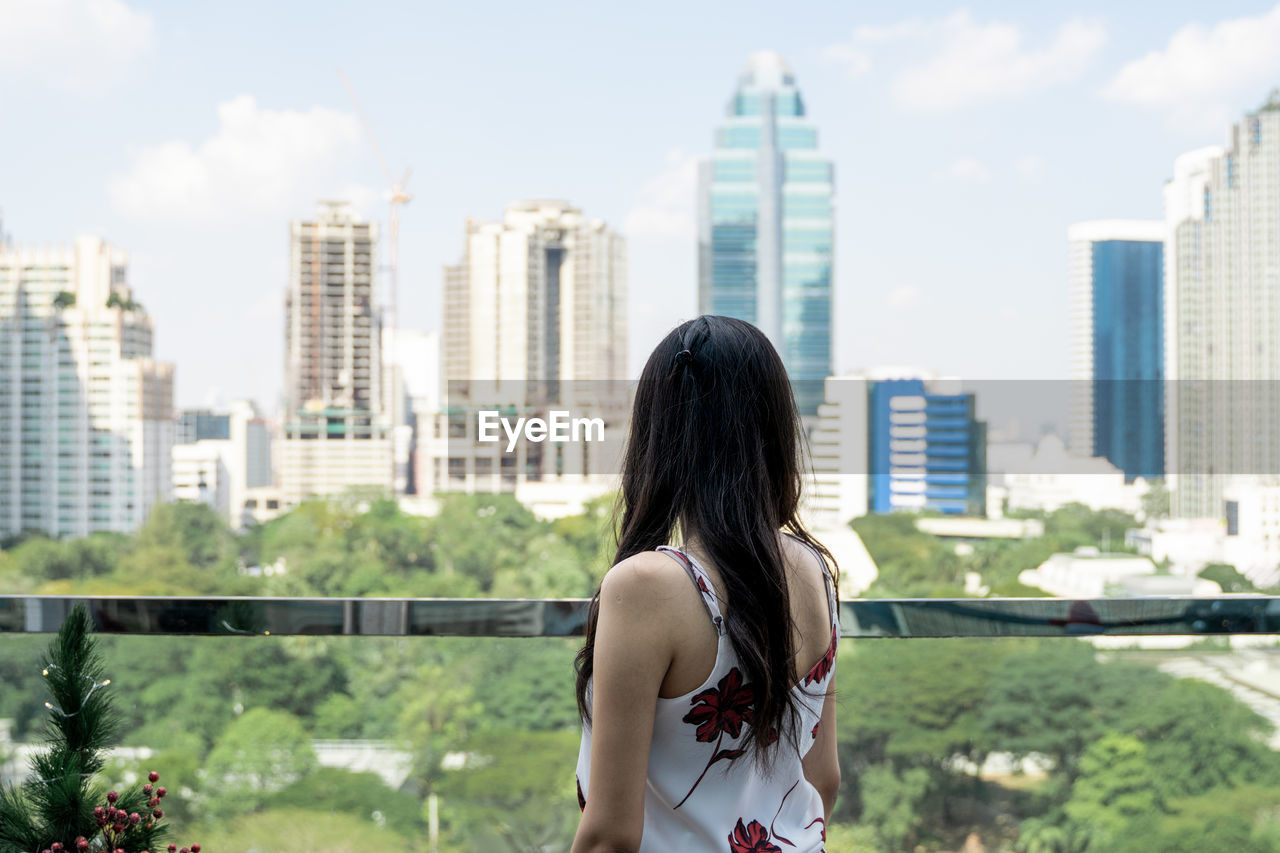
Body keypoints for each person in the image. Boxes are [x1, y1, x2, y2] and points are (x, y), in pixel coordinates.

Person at [571, 315, 840, 853]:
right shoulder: (814, 571)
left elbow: (610, 835)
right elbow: (824, 778)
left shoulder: (648, 586)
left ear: (657, 435)